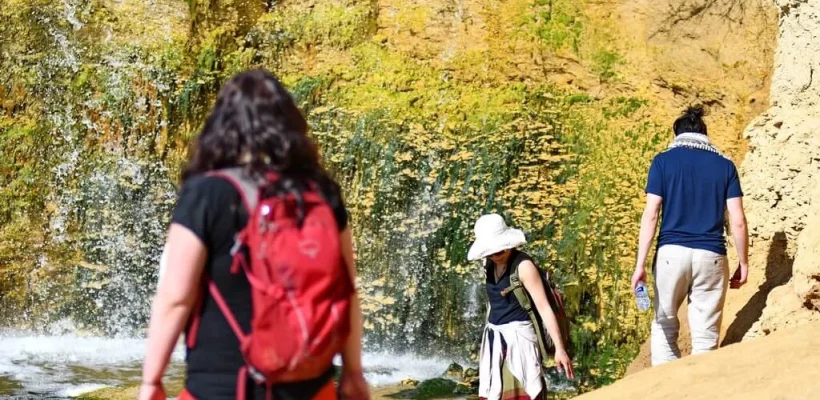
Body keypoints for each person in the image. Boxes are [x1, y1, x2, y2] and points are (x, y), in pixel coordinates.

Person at [138, 69, 369, 400]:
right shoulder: (320, 193)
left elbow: (176, 297)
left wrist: (151, 380)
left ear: (221, 127)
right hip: (311, 387)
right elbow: (345, 290)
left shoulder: (207, 194)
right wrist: (353, 371)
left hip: (224, 387)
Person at [631, 106, 749, 366]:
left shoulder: (663, 161)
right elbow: (738, 220)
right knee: (706, 337)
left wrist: (639, 265)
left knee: (664, 326)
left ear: (678, 134)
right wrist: (743, 262)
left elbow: (651, 214)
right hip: (712, 256)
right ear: (704, 135)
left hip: (671, 255)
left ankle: (668, 390)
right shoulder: (725, 166)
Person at [468, 213, 574, 400]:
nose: (496, 255)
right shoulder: (488, 264)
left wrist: (560, 349)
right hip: (494, 341)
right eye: (491, 252)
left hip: (520, 342)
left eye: (500, 251)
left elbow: (544, 308)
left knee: (524, 391)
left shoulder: (524, 266)